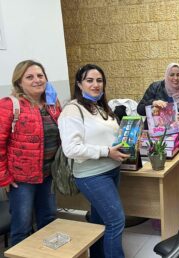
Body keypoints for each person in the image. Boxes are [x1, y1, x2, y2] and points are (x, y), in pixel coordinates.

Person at [58, 64, 130, 258]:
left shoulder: (100, 107)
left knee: (100, 222)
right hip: (92, 175)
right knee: (116, 220)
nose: (95, 85)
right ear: (79, 84)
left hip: (112, 169)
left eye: (99, 80)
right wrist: (107, 151)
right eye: (89, 80)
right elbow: (71, 149)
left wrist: (126, 142)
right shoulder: (72, 111)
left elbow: (107, 137)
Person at [0, 60, 61, 245]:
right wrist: (4, 178)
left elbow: (61, 133)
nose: (37, 80)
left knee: (49, 221)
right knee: (21, 227)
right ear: (19, 82)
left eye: (40, 76)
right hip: (21, 180)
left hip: (48, 175)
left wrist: (57, 108)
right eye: (30, 77)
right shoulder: (9, 105)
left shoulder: (51, 104)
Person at [137, 63, 179, 148]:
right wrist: (153, 102)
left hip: (176, 141)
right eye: (171, 75)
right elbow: (140, 109)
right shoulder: (155, 87)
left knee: (177, 161)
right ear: (166, 75)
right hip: (154, 139)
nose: (175, 78)